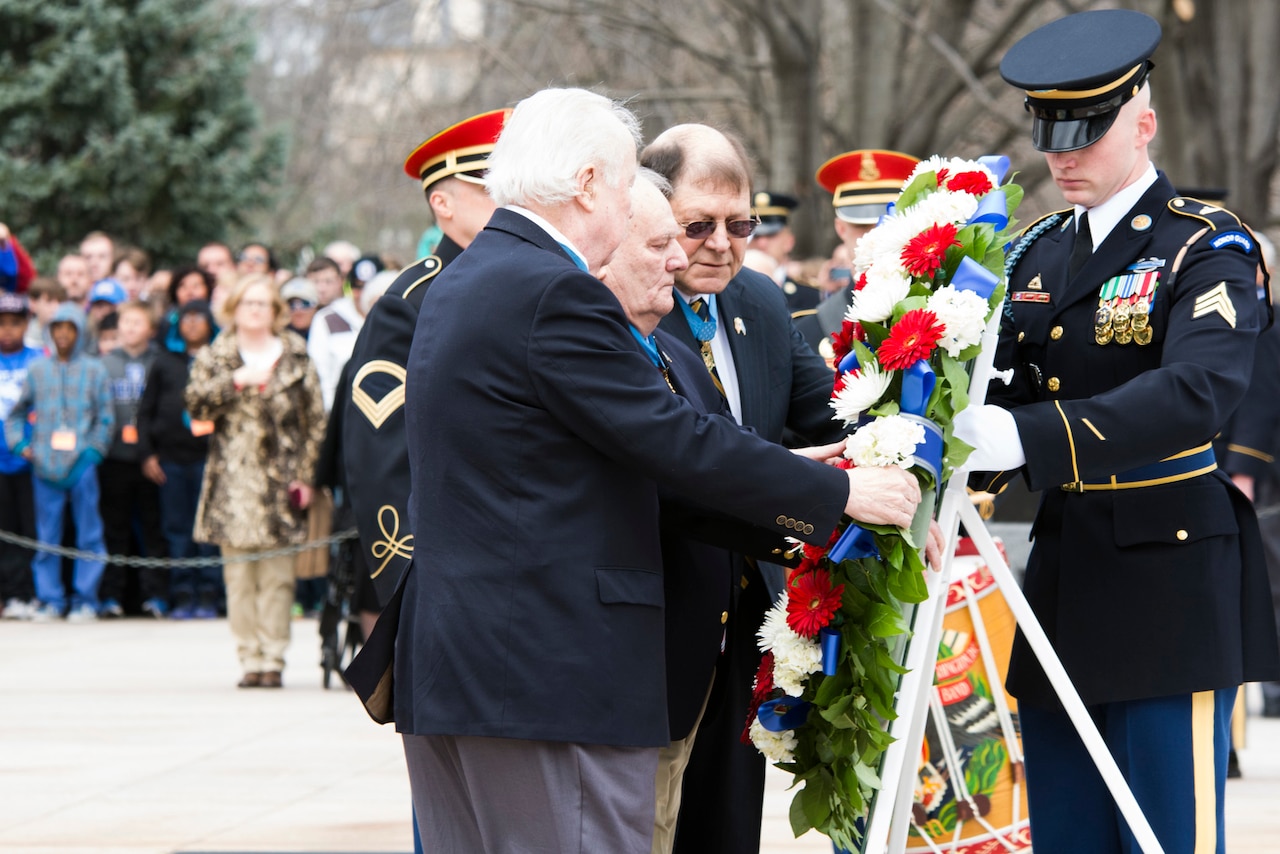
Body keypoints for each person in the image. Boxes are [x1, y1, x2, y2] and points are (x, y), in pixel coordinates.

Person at [393, 87, 924, 853]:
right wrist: (842, 492)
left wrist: (795, 467)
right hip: (550, 678)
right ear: (586, 185)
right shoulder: (554, 289)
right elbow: (676, 441)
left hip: (473, 673)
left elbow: (619, 459)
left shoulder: (475, 276)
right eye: (622, 182)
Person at [952, 10, 1280, 853]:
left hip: (1167, 578)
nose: (1062, 154)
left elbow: (1197, 391)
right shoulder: (1033, 254)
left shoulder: (1204, 246)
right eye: (1051, 133)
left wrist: (1024, 438)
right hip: (1064, 574)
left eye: (1086, 133)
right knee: (1067, 831)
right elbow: (999, 392)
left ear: (1142, 122)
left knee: (1167, 835)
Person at [642, 123, 841, 854]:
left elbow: (832, 409)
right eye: (699, 226)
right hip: (659, 622)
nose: (722, 244)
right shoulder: (627, 306)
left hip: (751, 621)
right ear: (655, 212)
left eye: (741, 224)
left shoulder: (757, 301)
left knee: (728, 829)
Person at [342, 106, 506, 611]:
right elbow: (382, 457)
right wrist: (410, 584)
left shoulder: (541, 283)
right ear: (443, 202)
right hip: (454, 573)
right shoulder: (409, 303)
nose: (508, 201)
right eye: (489, 188)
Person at [185, 275, 325, 688]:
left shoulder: (296, 354)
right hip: (233, 485)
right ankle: (249, 657)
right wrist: (235, 382)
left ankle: (274, 657)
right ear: (234, 308)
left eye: (264, 304)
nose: (256, 310)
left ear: (276, 311)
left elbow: (315, 421)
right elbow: (194, 402)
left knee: (279, 578)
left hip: (281, 483)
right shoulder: (219, 353)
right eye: (248, 303)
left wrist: (308, 476)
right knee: (240, 580)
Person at [5, 303, 113, 623]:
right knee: (47, 536)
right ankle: (51, 598)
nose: (63, 334)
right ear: (50, 332)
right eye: (57, 328)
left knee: (89, 533)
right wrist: (22, 445)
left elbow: (106, 419)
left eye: (70, 328)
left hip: (82, 464)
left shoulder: (95, 370)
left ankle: (86, 598)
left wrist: (93, 451)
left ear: (80, 332)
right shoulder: (38, 370)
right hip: (44, 466)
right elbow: (16, 414)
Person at [137, 299, 222, 620]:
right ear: (176, 325)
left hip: (210, 461)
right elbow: (145, 412)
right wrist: (147, 454)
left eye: (199, 318)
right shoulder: (164, 362)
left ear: (210, 324)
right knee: (177, 529)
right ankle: (183, 593)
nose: (192, 324)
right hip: (170, 460)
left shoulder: (220, 359)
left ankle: (210, 594)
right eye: (186, 319)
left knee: (208, 532)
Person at [796, 149, 921, 355]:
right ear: (841, 228)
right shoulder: (808, 333)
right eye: (861, 226)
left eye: (886, 221)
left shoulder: (945, 313)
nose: (875, 234)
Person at [97, 302, 169, 619]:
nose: (129, 328)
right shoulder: (103, 364)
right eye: (125, 322)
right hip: (115, 457)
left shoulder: (160, 362)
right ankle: (113, 595)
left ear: (151, 329)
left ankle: (155, 595)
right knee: (115, 529)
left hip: (150, 459)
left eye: (137, 322)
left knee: (154, 530)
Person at [0, 293, 42, 620]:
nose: (7, 330)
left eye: (15, 323)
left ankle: (34, 593)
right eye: (1, 324)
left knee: (33, 531)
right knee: (5, 531)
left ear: (27, 324)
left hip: (32, 460)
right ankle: (11, 594)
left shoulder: (39, 359)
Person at [306, 255, 364, 413]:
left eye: (328, 281)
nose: (321, 288)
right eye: (315, 282)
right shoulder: (308, 315)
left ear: (341, 281)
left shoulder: (352, 314)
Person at [748, 190, 820, 314]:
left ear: (789, 242)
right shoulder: (724, 291)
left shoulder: (809, 295)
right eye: (755, 235)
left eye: (771, 235)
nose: (762, 243)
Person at [24, 277, 65, 353]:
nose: (56, 307)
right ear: (33, 303)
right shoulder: (23, 335)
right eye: (49, 301)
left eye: (60, 301)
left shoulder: (70, 335)